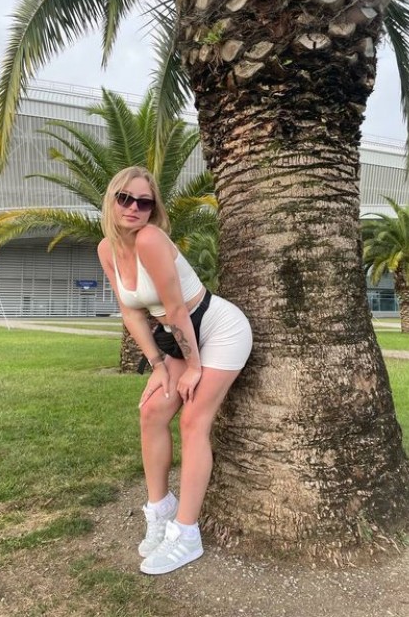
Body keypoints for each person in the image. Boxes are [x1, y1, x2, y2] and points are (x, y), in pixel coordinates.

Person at [97, 166, 252, 575]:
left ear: (153, 209)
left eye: (144, 202)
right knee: (150, 412)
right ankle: (160, 509)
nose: (134, 208)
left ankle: (186, 534)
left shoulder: (149, 239)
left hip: (218, 328)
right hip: (178, 337)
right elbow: (131, 312)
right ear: (112, 200)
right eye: (125, 198)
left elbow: (178, 308)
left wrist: (193, 367)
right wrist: (158, 364)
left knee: (192, 422)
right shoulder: (106, 249)